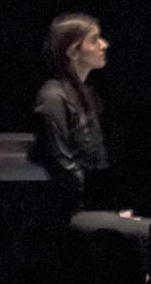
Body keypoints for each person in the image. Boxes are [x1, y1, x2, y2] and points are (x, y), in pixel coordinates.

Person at [31, 12, 112, 212]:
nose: (104, 45)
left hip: (94, 197)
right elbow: (62, 165)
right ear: (73, 52)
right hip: (74, 207)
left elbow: (98, 160)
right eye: (94, 39)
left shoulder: (87, 95)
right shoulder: (52, 97)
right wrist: (105, 202)